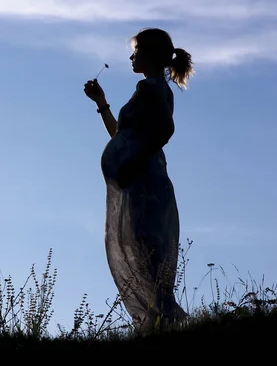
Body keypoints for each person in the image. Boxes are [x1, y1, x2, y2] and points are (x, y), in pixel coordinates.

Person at [83, 27, 194, 335]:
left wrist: (133, 159)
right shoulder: (150, 89)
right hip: (141, 186)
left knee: (148, 256)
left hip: (147, 187)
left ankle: (165, 327)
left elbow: (164, 130)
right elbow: (122, 136)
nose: (132, 57)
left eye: (136, 52)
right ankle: (160, 327)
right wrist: (102, 102)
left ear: (150, 56)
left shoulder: (151, 90)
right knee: (146, 257)